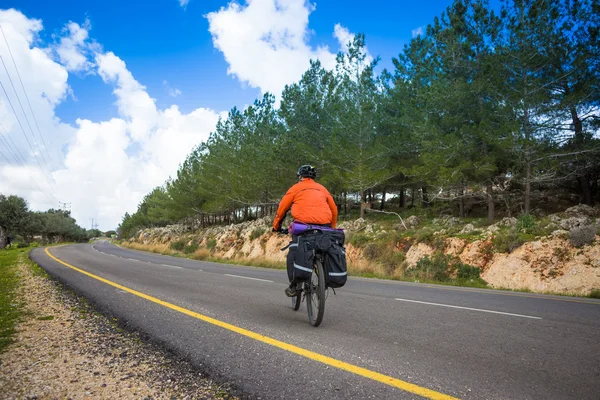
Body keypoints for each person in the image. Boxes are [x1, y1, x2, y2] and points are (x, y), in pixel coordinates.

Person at [272, 165, 338, 297]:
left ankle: (294, 286)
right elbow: (334, 210)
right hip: (323, 227)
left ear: (300, 176)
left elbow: (282, 209)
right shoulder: (322, 189)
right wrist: (332, 227)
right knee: (323, 249)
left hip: (303, 227)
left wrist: (276, 226)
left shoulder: (296, 188)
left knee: (294, 252)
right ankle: (322, 280)